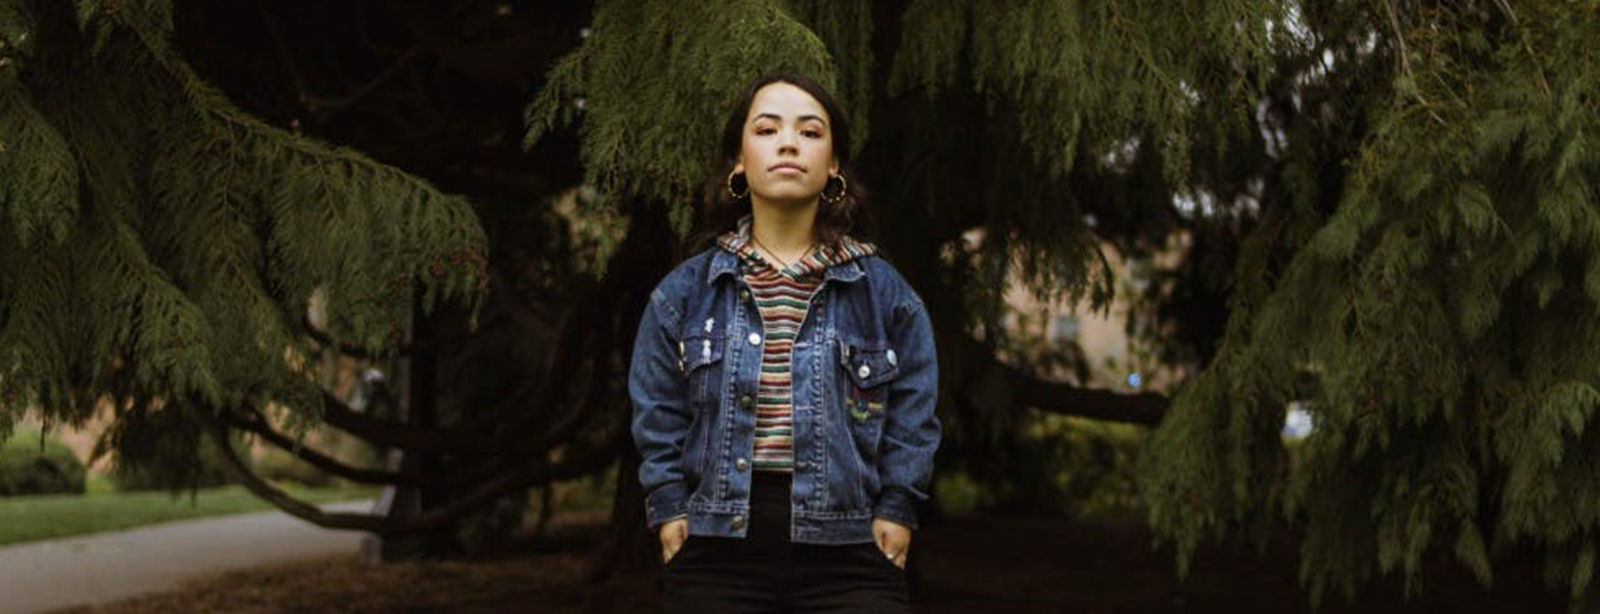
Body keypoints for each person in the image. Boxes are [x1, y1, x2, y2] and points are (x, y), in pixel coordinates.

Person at [627, 72, 942, 613]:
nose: (789, 143)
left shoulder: (884, 293)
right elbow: (657, 405)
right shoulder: (685, 293)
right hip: (716, 548)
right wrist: (669, 502)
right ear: (739, 162)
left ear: (834, 165)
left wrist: (898, 504)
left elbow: (916, 407)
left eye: (810, 132)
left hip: (850, 548)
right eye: (767, 129)